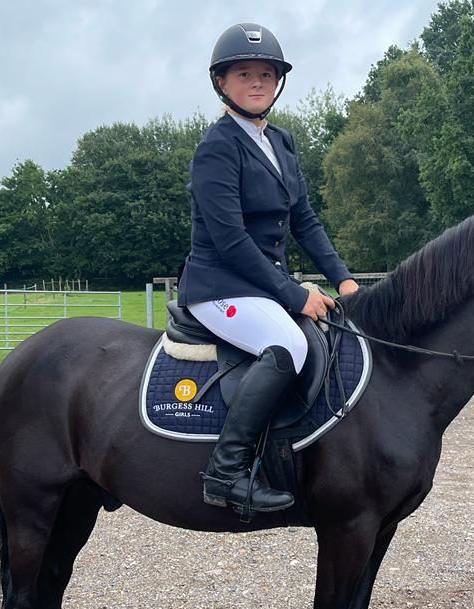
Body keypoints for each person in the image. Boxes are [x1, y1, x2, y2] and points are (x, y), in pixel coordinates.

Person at [177, 22, 359, 516]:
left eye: (266, 73)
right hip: (219, 285)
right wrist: (294, 294)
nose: (257, 82)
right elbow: (231, 241)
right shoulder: (217, 147)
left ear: (277, 81)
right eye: (244, 74)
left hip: (258, 285)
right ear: (222, 83)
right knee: (288, 345)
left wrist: (342, 277)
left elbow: (304, 219)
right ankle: (227, 472)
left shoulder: (280, 142)